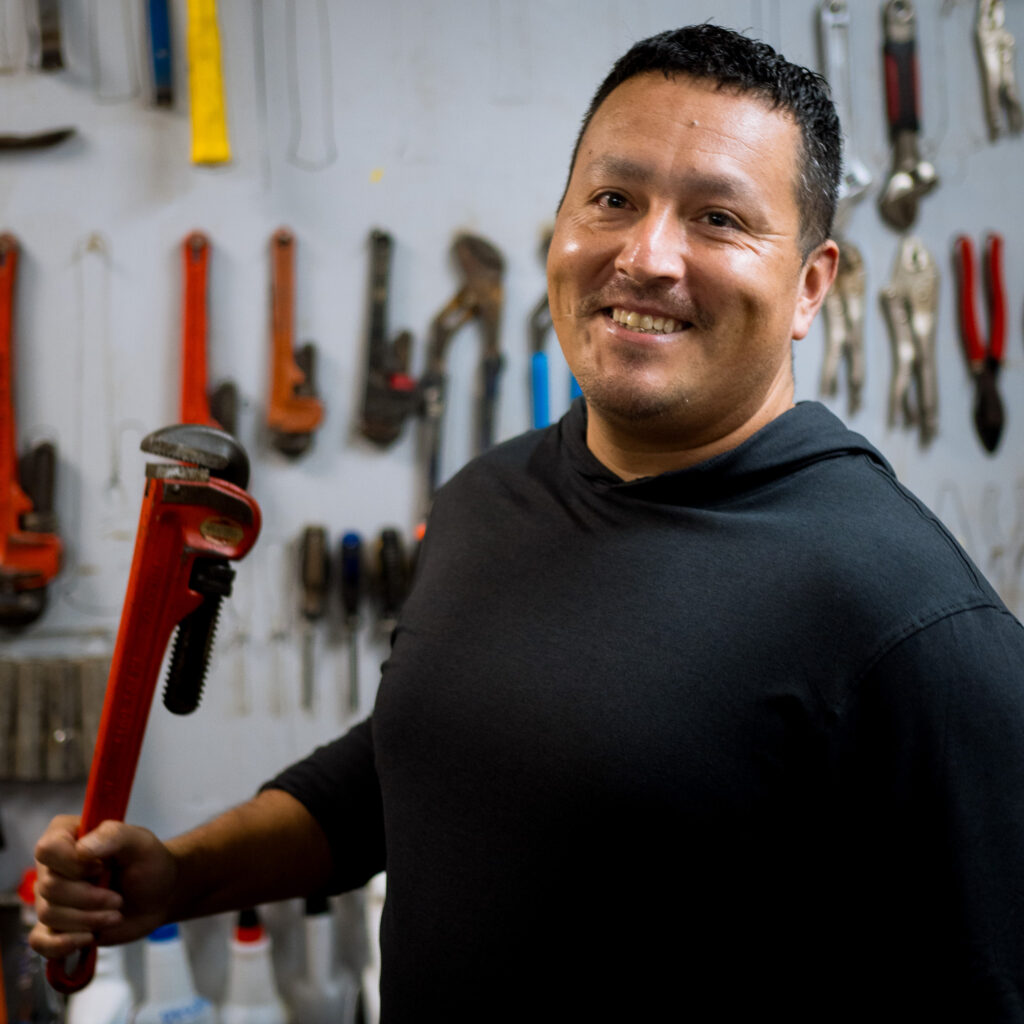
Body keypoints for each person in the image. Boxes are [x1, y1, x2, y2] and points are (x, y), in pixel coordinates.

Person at [30, 24, 1024, 1021]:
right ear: (559, 227)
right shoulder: (485, 496)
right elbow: (416, 763)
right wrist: (181, 876)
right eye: (612, 200)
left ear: (811, 285)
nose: (647, 255)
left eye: (718, 217)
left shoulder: (913, 626)